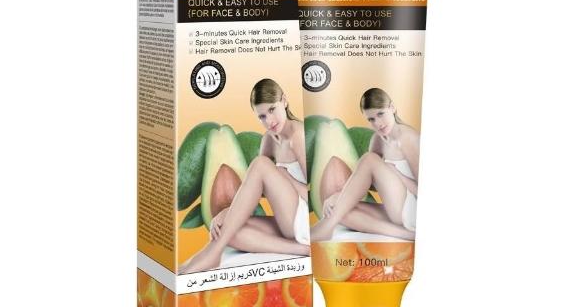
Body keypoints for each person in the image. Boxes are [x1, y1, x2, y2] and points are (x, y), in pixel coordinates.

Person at [179, 79, 309, 274]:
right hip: (288, 221)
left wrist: (285, 176)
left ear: (284, 101)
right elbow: (258, 187)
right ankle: (302, 250)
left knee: (260, 163)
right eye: (262, 116)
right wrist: (229, 212)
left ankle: (213, 253)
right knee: (227, 230)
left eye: (272, 110)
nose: (269, 121)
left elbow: (311, 196)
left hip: (304, 219)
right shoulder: (269, 139)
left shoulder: (298, 135)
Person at [310, 88, 418, 242]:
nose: (378, 123)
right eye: (371, 119)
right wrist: (339, 196)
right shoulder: (378, 139)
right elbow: (367, 181)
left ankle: (327, 226)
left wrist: (398, 174)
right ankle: (405, 234)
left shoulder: (408, 138)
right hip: (395, 210)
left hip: (412, 209)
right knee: (339, 211)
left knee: (369, 159)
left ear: (392, 108)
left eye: (380, 114)